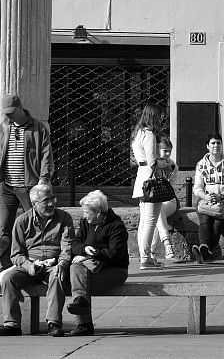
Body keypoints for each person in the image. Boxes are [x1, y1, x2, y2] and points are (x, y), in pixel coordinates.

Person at [0, 182, 74, 338]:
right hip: (30, 264)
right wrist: (29, 266)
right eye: (46, 201)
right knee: (8, 279)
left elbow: (67, 248)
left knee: (57, 276)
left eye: (52, 199)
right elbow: (16, 254)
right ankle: (12, 324)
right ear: (34, 203)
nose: (51, 204)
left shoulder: (64, 218)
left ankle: (54, 323)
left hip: (53, 264)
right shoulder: (22, 221)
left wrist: (62, 264)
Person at [0, 94, 54, 269]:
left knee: (36, 225)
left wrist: (43, 179)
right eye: (6, 113)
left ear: (20, 108)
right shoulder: (3, 127)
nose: (8, 116)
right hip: (6, 186)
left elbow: (46, 156)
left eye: (11, 112)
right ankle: (5, 267)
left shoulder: (38, 128)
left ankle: (34, 263)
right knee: (5, 227)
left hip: (30, 186)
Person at [65, 190, 129, 337]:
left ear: (98, 212)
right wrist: (84, 248)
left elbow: (114, 255)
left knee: (78, 279)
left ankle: (84, 324)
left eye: (87, 212)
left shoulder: (116, 225)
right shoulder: (85, 222)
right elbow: (74, 243)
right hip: (89, 268)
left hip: (114, 270)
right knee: (76, 269)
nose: (84, 215)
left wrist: (89, 255)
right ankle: (80, 304)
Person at [190, 133, 224, 264]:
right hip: (207, 200)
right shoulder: (201, 164)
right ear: (207, 146)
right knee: (205, 222)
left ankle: (204, 250)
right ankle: (205, 251)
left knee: (217, 224)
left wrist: (221, 195)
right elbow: (197, 187)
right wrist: (205, 196)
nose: (216, 145)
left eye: (218, 142)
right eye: (213, 143)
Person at [130, 103, 167, 269]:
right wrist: (166, 164)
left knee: (144, 221)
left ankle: (144, 256)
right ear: (154, 116)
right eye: (160, 115)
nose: (163, 118)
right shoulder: (149, 134)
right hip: (151, 180)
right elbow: (152, 162)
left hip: (141, 178)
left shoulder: (138, 133)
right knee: (150, 221)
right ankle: (146, 258)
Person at [151, 136, 181, 260]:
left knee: (157, 210)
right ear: (158, 150)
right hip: (154, 201)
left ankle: (162, 245)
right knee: (156, 211)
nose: (168, 154)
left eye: (170, 151)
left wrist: (167, 170)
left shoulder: (173, 166)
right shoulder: (152, 165)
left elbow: (170, 188)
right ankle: (159, 248)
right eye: (165, 151)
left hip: (169, 199)